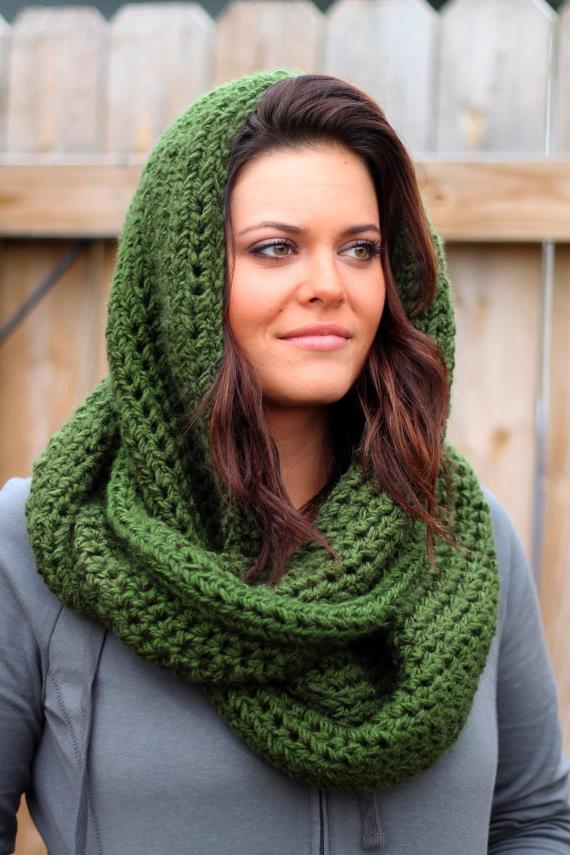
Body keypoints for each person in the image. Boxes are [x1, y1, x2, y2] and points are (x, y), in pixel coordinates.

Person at [1, 70, 569, 855]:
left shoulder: (463, 538)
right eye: (275, 249)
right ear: (183, 278)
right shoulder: (42, 544)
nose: (329, 286)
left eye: (360, 249)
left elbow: (534, 823)